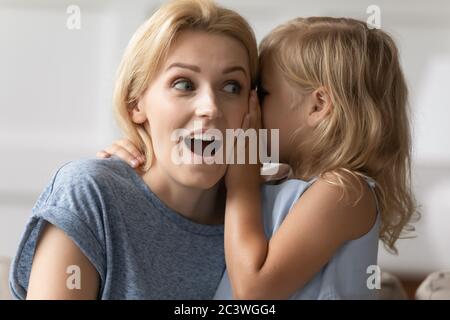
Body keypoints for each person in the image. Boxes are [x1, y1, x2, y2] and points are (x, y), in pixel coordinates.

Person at [105, 17, 418, 299]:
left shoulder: (344, 191)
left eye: (263, 93)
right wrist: (137, 156)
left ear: (318, 106)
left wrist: (243, 176)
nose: (248, 107)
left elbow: (253, 289)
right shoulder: (279, 182)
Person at [9, 0, 258, 299]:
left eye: (232, 87)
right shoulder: (89, 193)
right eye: (184, 84)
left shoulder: (268, 215)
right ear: (135, 103)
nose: (210, 107)